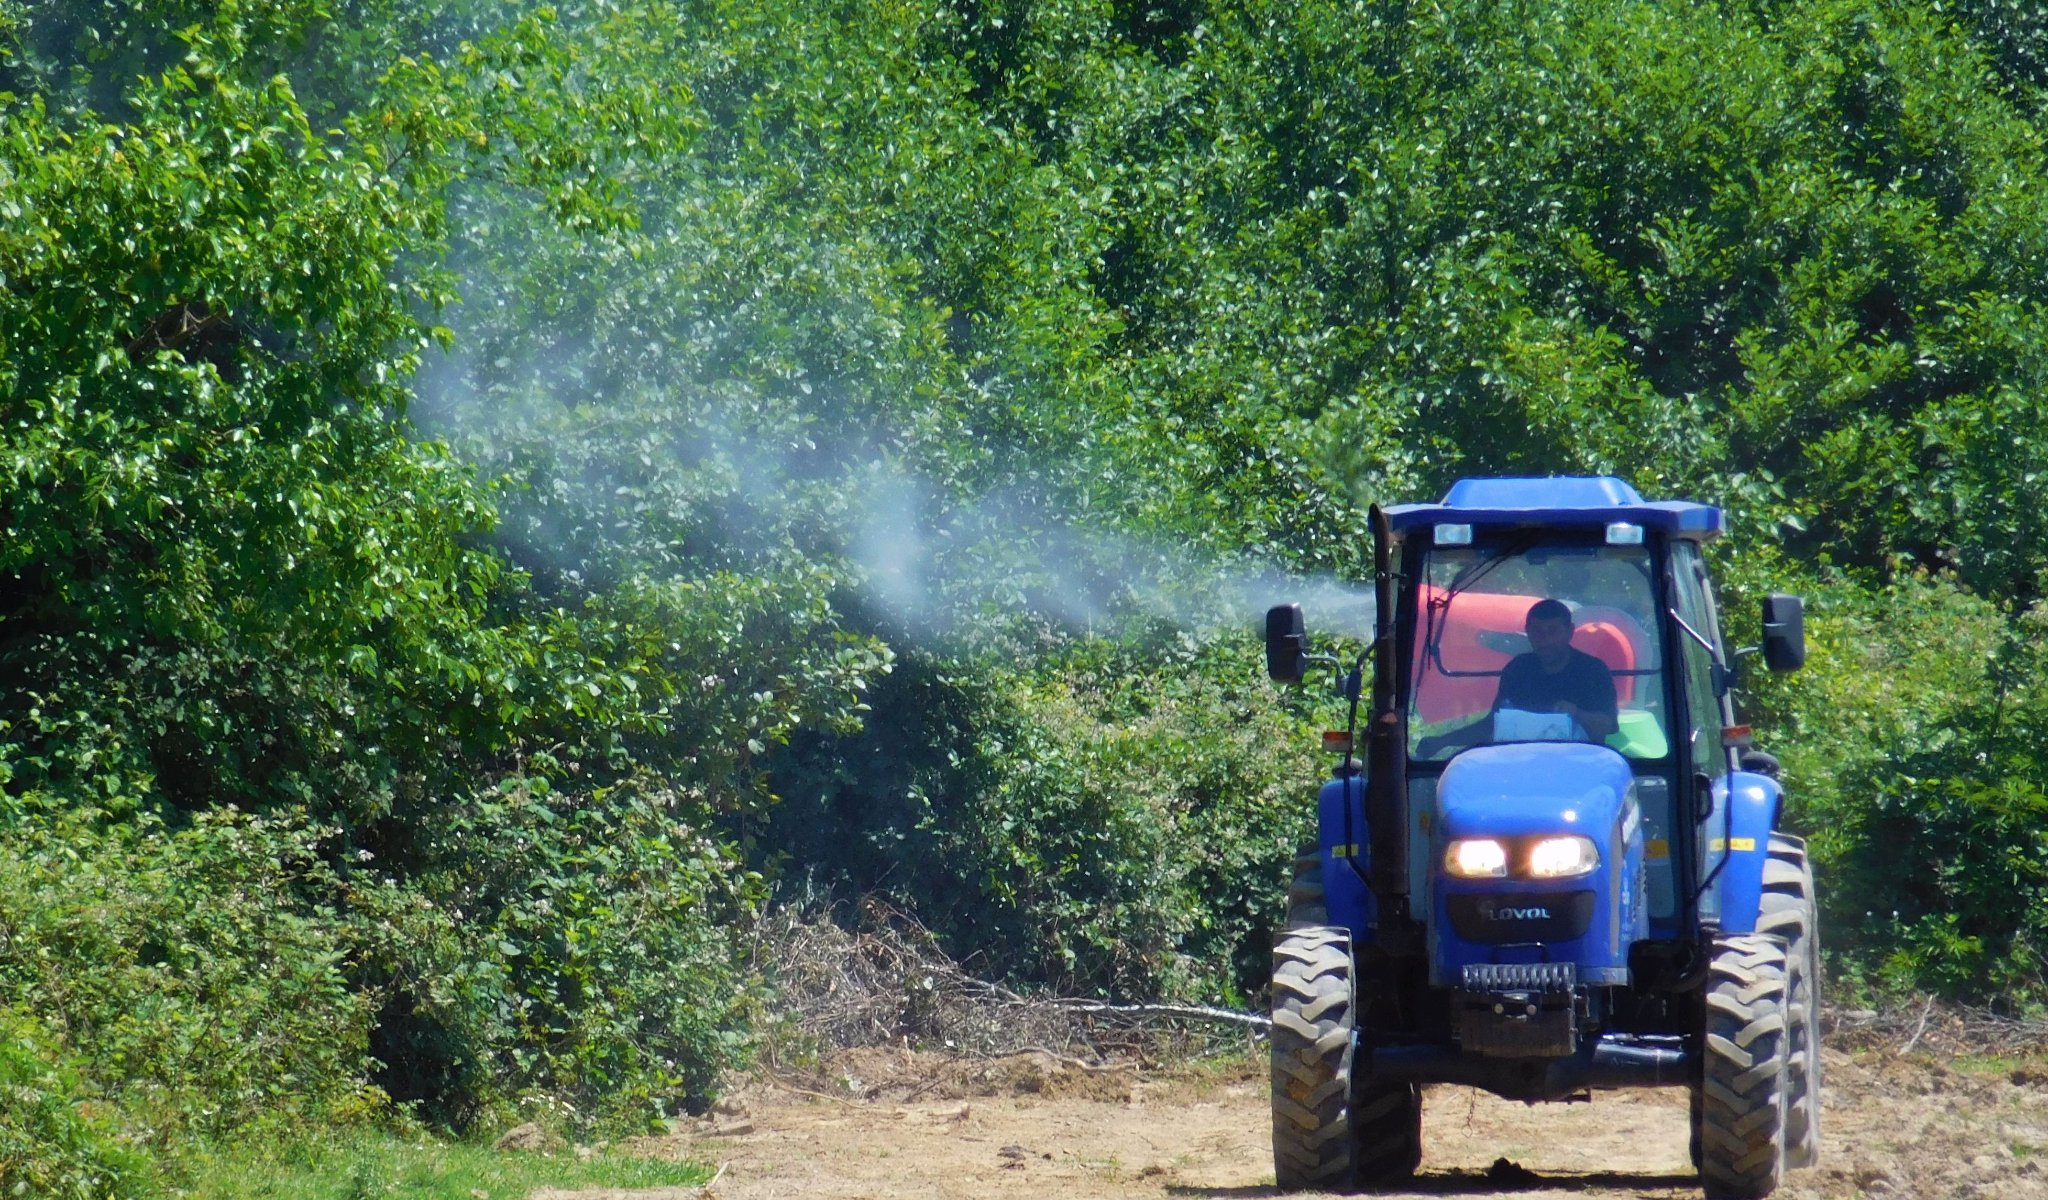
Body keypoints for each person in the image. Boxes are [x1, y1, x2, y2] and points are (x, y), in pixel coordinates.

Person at [1416, 598, 1618, 755]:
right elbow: (1493, 725)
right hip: (1519, 765)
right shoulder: (1518, 669)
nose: (1545, 639)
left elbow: (1606, 725)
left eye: (1552, 631)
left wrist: (1576, 713)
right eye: (1537, 631)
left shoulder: (1593, 671)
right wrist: (1442, 741)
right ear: (1528, 632)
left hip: (1581, 766)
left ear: (1570, 632)